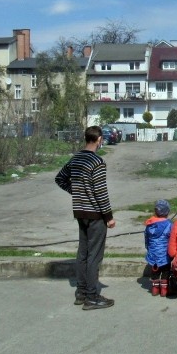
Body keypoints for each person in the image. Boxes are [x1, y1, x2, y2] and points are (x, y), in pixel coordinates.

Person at [54, 125, 116, 310]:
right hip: (96, 214)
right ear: (99, 140)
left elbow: (60, 179)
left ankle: (81, 292)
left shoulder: (76, 159)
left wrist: (77, 192)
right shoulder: (97, 162)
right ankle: (92, 296)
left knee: (83, 253)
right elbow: (100, 192)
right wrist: (109, 217)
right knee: (94, 256)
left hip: (80, 212)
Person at [144, 199, 173, 297]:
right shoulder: (169, 224)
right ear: (167, 212)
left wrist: (148, 249)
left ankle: (155, 289)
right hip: (164, 255)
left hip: (153, 255)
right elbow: (172, 239)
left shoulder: (149, 225)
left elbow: (146, 239)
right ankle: (164, 290)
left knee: (155, 271)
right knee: (165, 271)